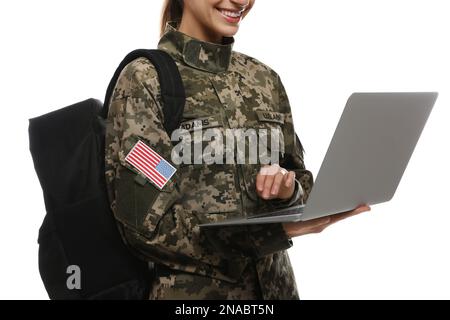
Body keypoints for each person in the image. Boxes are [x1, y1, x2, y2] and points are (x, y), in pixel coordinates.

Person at [104, 0, 371, 300]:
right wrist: (276, 232)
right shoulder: (145, 80)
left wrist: (288, 192)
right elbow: (147, 224)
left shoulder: (264, 80)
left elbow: (302, 182)